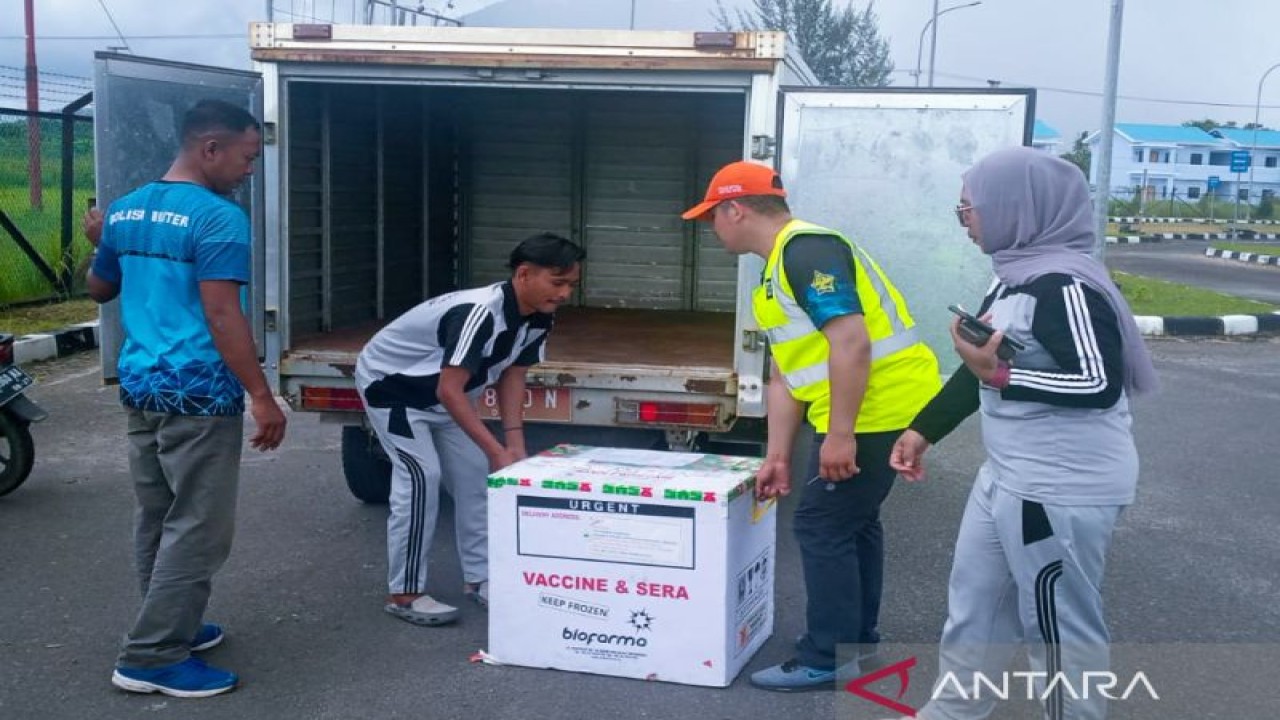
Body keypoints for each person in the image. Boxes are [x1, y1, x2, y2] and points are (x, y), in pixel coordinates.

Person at [887, 147, 1159, 720]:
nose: (965, 220)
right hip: (1008, 475)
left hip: (1058, 487)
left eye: (970, 208)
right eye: (961, 209)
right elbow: (983, 368)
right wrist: (924, 429)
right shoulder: (1013, 277)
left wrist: (1000, 374)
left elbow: (1097, 381)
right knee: (974, 613)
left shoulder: (1066, 285)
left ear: (1016, 207)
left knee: (1059, 632)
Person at [681, 161, 941, 691]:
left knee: (822, 525)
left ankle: (829, 655)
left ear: (736, 209)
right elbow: (786, 374)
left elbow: (851, 341)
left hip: (877, 409)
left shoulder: (807, 250)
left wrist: (841, 435)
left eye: (712, 217)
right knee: (852, 523)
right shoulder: (775, 269)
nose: (712, 229)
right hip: (863, 409)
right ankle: (855, 643)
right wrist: (777, 455)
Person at [84, 99, 288, 698]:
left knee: (159, 516)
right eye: (247, 157)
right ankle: (151, 656)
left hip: (140, 386)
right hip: (197, 393)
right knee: (198, 527)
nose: (249, 170)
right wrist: (261, 394)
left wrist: (102, 241)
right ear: (210, 149)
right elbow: (223, 313)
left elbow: (100, 290)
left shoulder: (123, 210)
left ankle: (176, 625)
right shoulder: (217, 217)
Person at [356, 232, 584, 626]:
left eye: (571, 285)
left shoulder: (539, 316)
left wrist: (513, 444)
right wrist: (496, 450)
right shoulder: (479, 312)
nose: (564, 293)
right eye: (557, 282)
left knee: (476, 476)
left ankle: (480, 580)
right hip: (394, 389)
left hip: (448, 394)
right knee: (421, 477)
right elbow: (449, 388)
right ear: (524, 274)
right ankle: (406, 593)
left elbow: (513, 375)